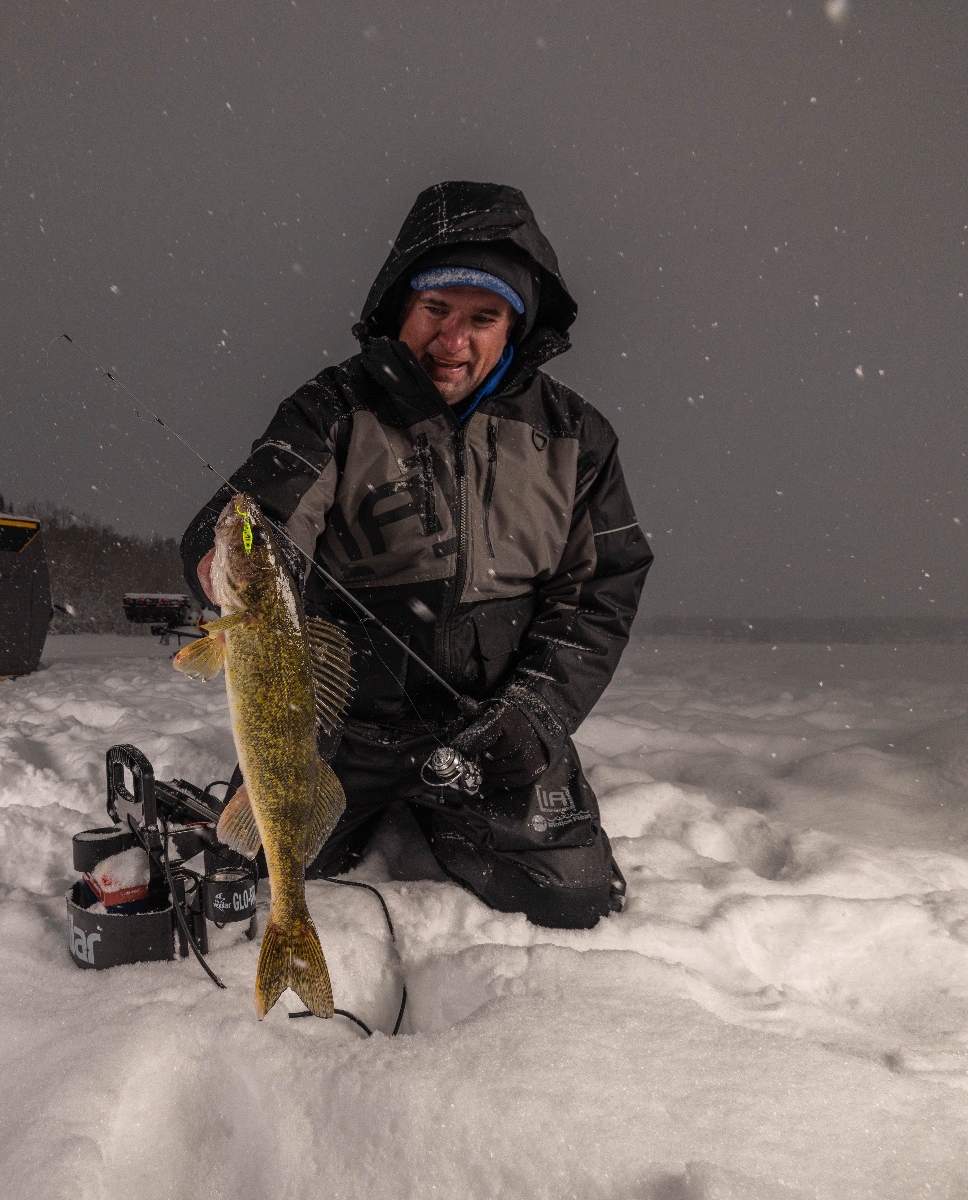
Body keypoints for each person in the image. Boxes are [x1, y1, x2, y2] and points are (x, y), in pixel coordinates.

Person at [181, 180, 651, 928]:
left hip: (489, 730)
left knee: (569, 900)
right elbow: (261, 509)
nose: (451, 340)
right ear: (402, 306)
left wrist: (533, 714)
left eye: (482, 318)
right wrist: (228, 562)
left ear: (516, 327)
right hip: (342, 725)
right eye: (434, 310)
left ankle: (472, 800)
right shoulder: (330, 408)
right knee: (250, 877)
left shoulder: (575, 435)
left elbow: (599, 593)